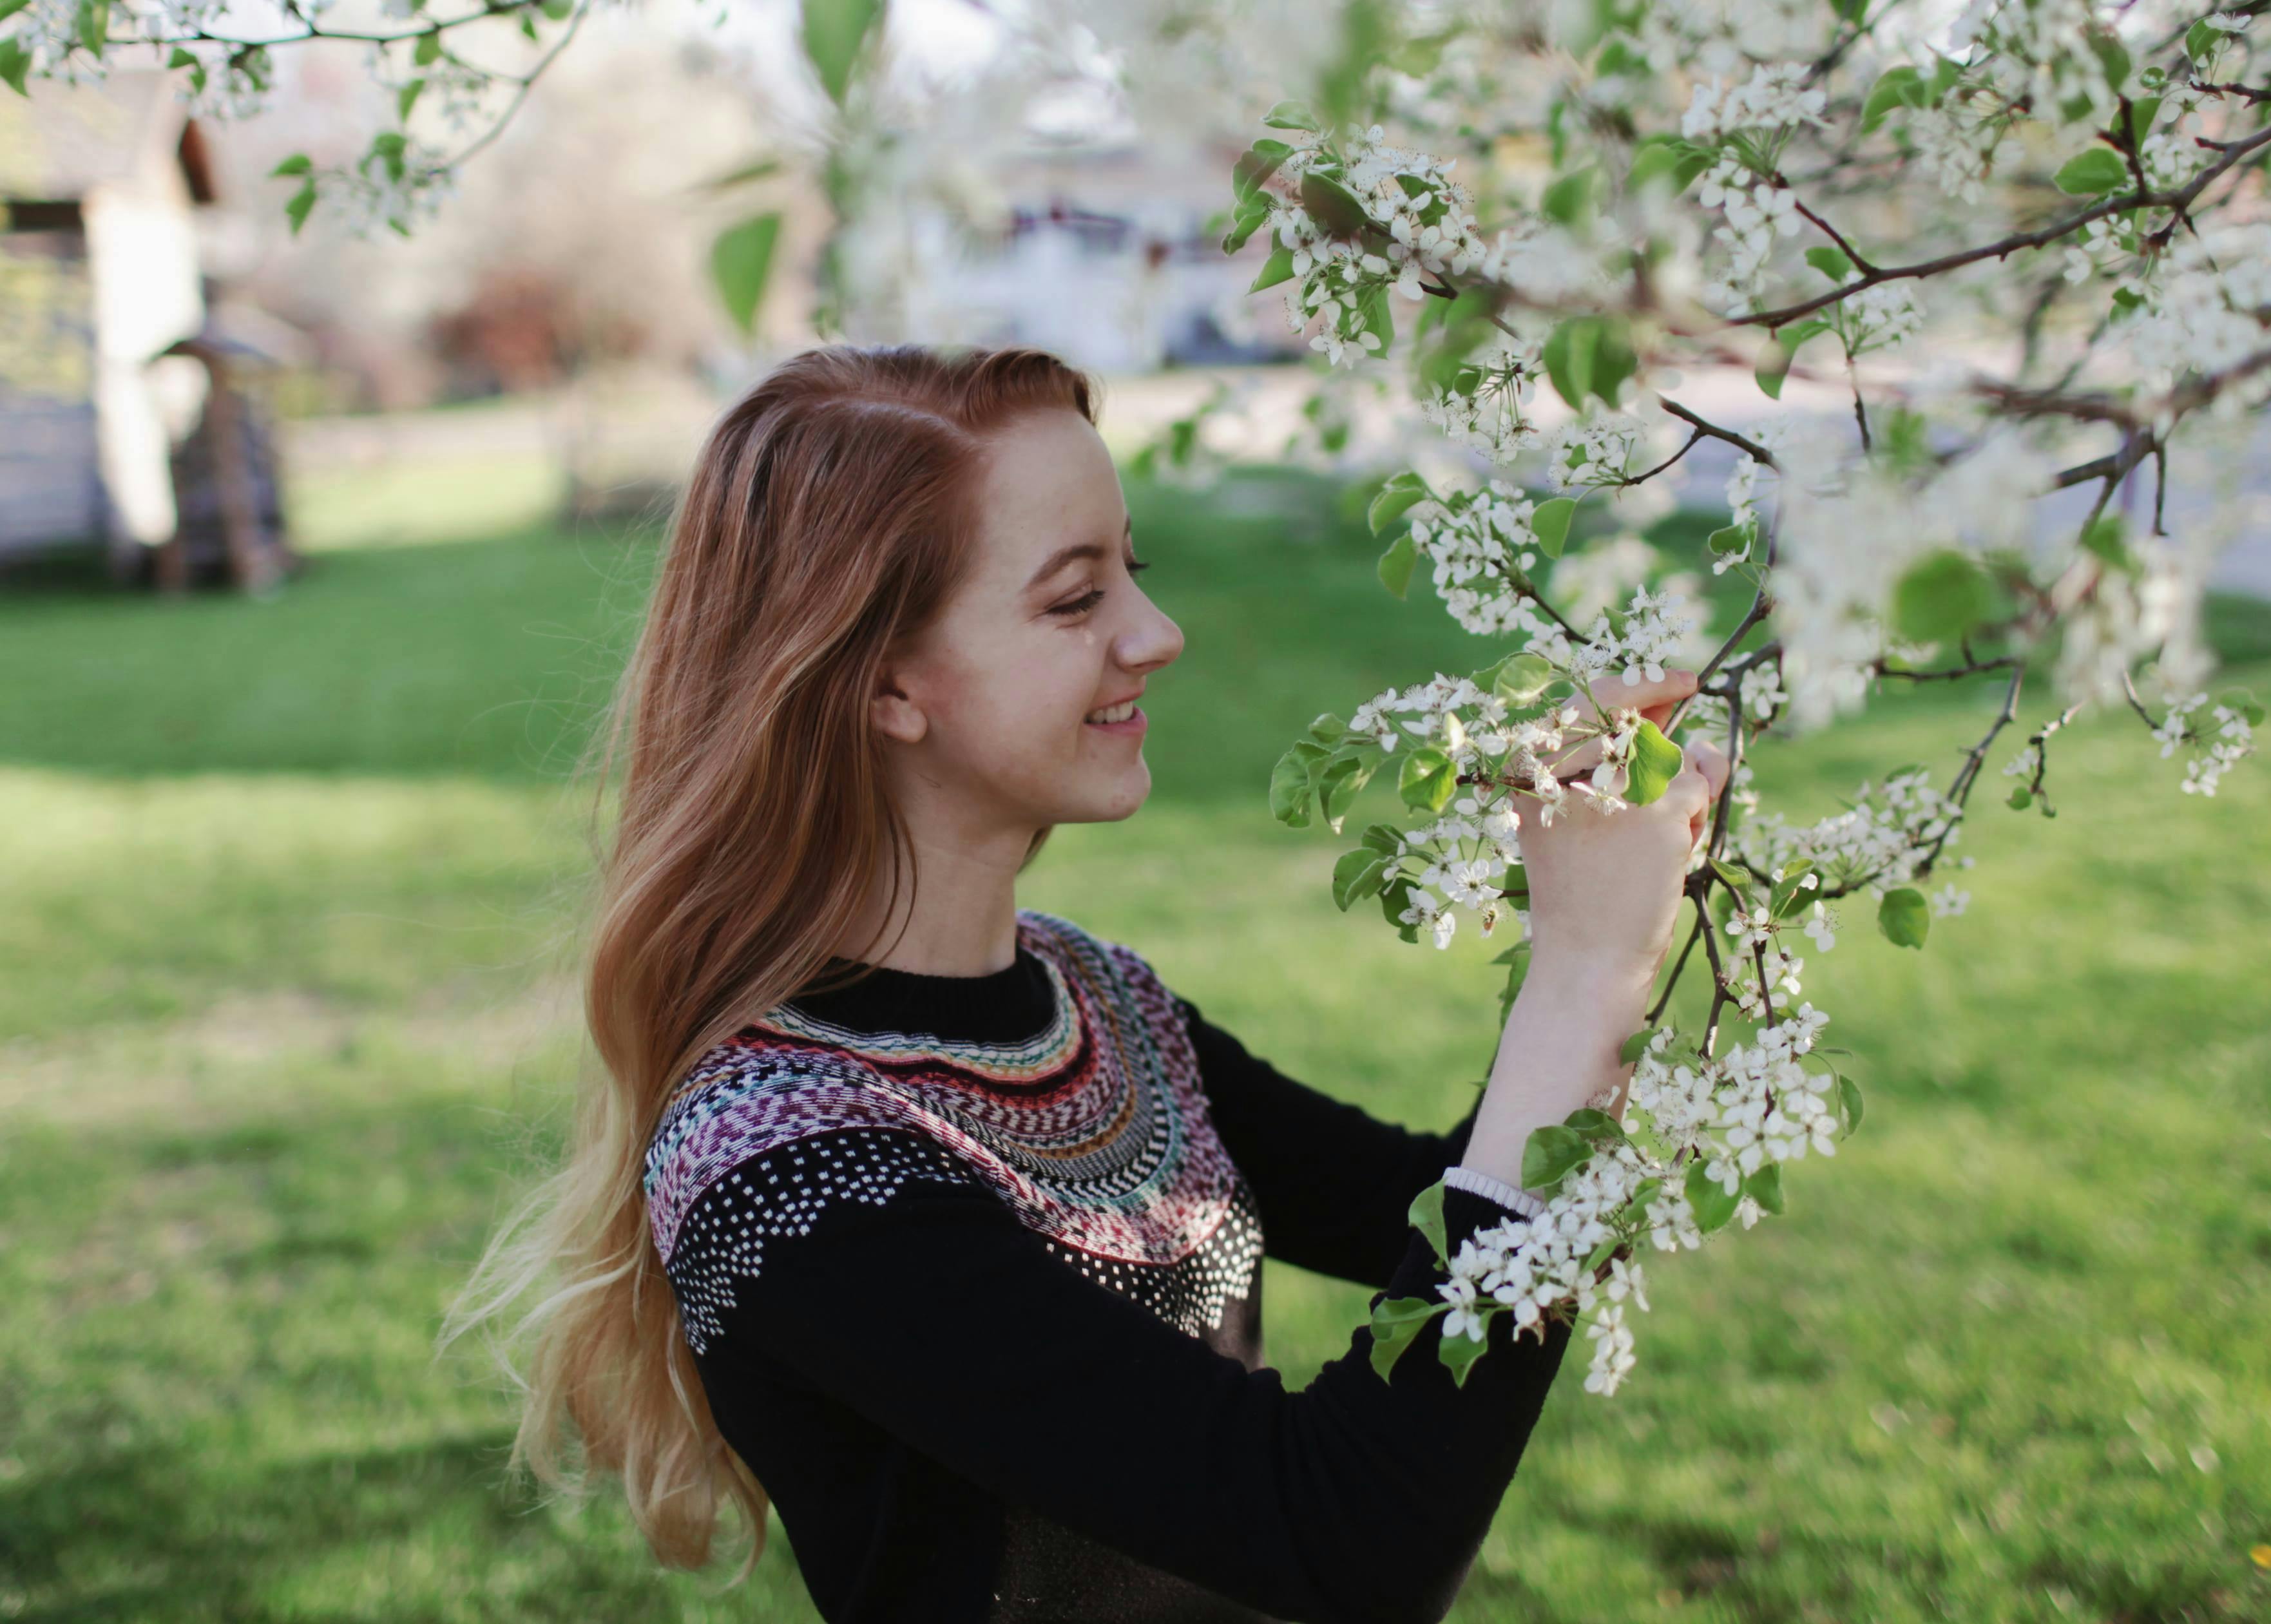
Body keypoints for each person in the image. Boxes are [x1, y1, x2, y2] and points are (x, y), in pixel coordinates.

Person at [451, 344, 1723, 1623]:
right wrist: (1579, 966)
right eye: (1073, 601)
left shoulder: (1092, 999)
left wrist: (1624, 901)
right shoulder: (786, 1165)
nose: (1156, 635)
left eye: (1135, 573)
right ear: (883, 681)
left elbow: (1445, 1205)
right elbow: (1346, 1536)